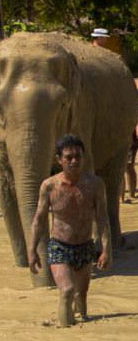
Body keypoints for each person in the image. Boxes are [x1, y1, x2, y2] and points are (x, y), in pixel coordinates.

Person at [28, 134, 111, 327]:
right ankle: (65, 335)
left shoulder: (95, 184)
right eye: (69, 157)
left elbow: (102, 219)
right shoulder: (49, 186)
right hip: (59, 247)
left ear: (84, 158)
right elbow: (39, 219)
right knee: (66, 290)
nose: (74, 161)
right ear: (59, 160)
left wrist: (107, 250)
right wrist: (32, 251)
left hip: (85, 246)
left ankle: (82, 327)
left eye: (78, 157)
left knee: (81, 296)